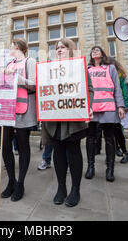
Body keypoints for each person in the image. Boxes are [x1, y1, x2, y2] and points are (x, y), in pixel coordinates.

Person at [41, 38, 94, 207]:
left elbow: (89, 89)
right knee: (58, 151)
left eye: (62, 47)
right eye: (57, 47)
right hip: (54, 119)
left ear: (70, 49)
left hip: (73, 119)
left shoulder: (79, 66)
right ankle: (61, 188)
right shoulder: (48, 68)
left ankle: (75, 190)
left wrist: (89, 106)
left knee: (74, 151)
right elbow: (44, 89)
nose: (59, 49)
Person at [0, 39, 37, 202]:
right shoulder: (9, 64)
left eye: (12, 46)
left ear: (19, 47)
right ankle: (11, 180)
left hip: (25, 107)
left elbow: (34, 85)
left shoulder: (30, 62)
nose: (10, 48)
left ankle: (20, 183)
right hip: (8, 108)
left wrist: (16, 77)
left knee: (23, 145)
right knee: (5, 145)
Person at [85, 46, 125, 182]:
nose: (95, 51)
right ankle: (90, 167)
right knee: (90, 138)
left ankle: (110, 169)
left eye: (98, 49)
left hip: (108, 106)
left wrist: (120, 105)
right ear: (91, 55)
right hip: (91, 107)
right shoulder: (87, 69)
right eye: (93, 50)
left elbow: (117, 87)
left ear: (102, 53)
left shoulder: (110, 68)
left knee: (109, 138)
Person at [110, 58, 128, 164]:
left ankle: (125, 152)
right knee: (110, 133)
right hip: (108, 108)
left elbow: (125, 91)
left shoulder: (120, 77)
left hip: (118, 107)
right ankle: (113, 152)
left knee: (118, 132)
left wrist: (125, 105)